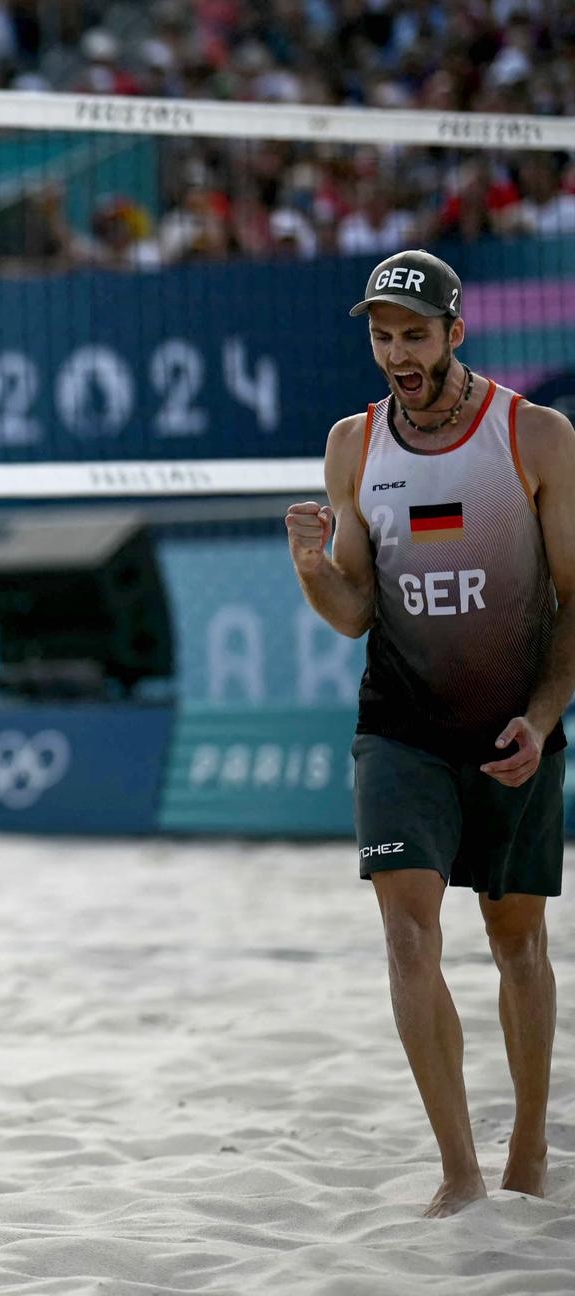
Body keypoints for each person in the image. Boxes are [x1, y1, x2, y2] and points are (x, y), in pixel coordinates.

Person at [285, 249, 575, 1218]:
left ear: (456, 333)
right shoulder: (353, 444)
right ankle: (458, 1169)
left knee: (517, 942)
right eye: (381, 335)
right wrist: (309, 568)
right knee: (409, 936)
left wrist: (540, 721)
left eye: (414, 334)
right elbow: (355, 612)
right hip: (400, 727)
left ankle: (529, 1153)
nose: (397, 352)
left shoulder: (533, 436)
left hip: (508, 729)